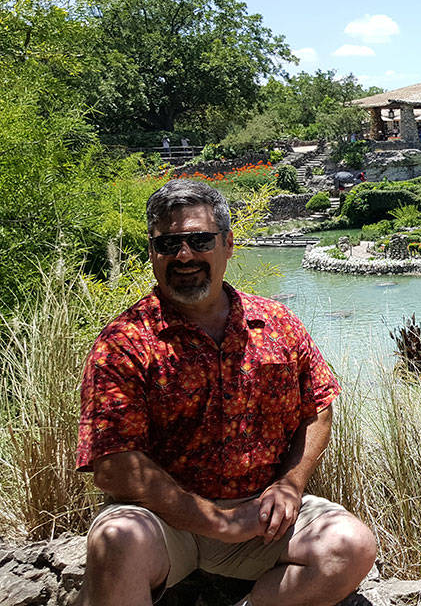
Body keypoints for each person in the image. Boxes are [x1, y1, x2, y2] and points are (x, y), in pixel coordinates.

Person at [77, 179, 376, 606]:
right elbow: (114, 466)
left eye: (199, 239)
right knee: (117, 540)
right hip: (165, 524)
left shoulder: (277, 323)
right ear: (152, 253)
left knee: (351, 545)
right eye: (168, 244)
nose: (184, 255)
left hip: (262, 520)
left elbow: (318, 407)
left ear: (228, 244)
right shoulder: (124, 341)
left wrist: (291, 483)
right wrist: (218, 521)